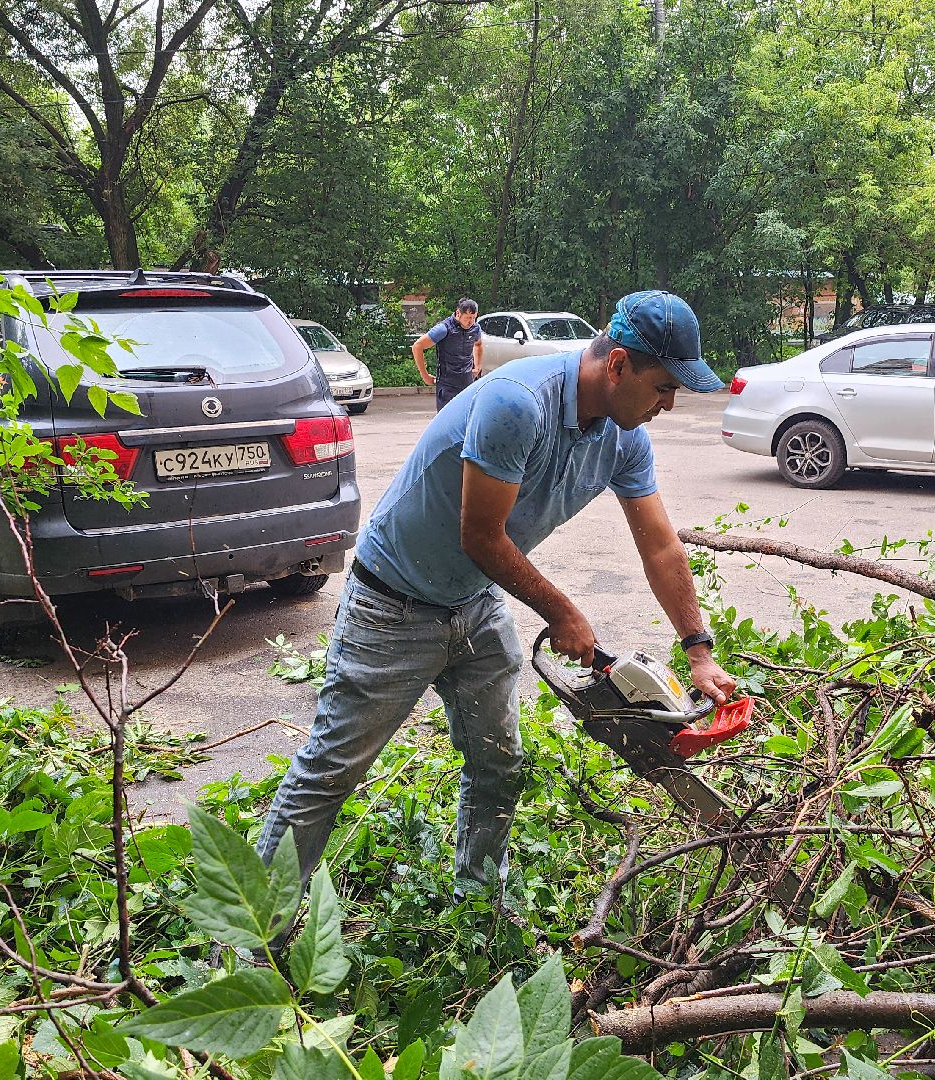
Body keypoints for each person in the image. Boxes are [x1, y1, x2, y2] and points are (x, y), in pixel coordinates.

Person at [258, 289, 737, 896]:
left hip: (475, 602)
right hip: (393, 605)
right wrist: (564, 611)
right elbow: (480, 535)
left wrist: (697, 648)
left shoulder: (624, 438)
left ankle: (477, 906)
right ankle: (254, 937)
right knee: (330, 771)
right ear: (617, 364)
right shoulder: (518, 402)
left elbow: (662, 547)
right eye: (664, 386)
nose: (669, 404)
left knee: (498, 761)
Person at [413, 298, 484, 410]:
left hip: (468, 383)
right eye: (468, 318)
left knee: (466, 420)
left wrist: (478, 366)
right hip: (447, 386)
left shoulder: (475, 328)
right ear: (458, 313)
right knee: (446, 423)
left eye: (474, 318)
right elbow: (417, 346)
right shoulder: (443, 329)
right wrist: (425, 375)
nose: (471, 322)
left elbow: (478, 345)